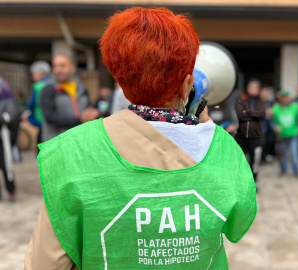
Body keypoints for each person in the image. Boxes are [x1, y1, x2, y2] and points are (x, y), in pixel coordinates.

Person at [25, 7, 257, 269]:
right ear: (187, 83)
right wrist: (215, 137)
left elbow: (44, 262)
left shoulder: (70, 150)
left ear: (120, 80)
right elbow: (239, 225)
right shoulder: (224, 149)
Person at [40, 54, 100, 142]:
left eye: (62, 66)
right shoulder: (48, 89)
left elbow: (88, 108)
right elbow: (50, 117)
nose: (58, 70)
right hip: (57, 142)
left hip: (79, 140)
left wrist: (93, 114)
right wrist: (79, 120)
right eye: (55, 66)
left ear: (72, 68)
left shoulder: (81, 88)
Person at [235, 79, 266, 184]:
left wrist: (247, 112)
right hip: (241, 137)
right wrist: (253, 114)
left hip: (256, 138)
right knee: (239, 161)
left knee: (255, 162)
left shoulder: (262, 101)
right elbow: (239, 114)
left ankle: (254, 183)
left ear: (258, 90)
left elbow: (261, 114)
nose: (252, 90)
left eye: (255, 88)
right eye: (251, 87)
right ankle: (240, 183)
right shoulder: (242, 100)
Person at [272, 89, 298, 177]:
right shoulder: (275, 108)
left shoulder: (296, 107)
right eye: (283, 97)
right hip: (281, 136)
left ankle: (296, 171)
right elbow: (271, 121)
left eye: (287, 97)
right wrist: (274, 127)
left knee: (294, 153)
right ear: (280, 98)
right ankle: (283, 171)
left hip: (293, 135)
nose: (285, 99)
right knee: (282, 155)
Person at [23, 61, 51, 145]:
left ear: (41, 74)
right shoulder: (53, 83)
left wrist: (27, 113)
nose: (32, 77)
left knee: (41, 142)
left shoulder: (38, 86)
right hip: (52, 118)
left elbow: (32, 103)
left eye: (34, 74)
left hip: (41, 118)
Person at [0, 77, 18, 202]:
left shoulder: (7, 101)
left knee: (6, 166)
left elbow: (11, 117)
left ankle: (11, 190)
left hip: (3, 139)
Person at [260, 85, 276, 162]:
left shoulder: (270, 103)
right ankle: (260, 158)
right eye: (264, 93)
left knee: (267, 142)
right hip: (259, 126)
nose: (265, 95)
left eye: (267, 93)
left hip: (268, 127)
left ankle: (265, 157)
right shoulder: (258, 103)